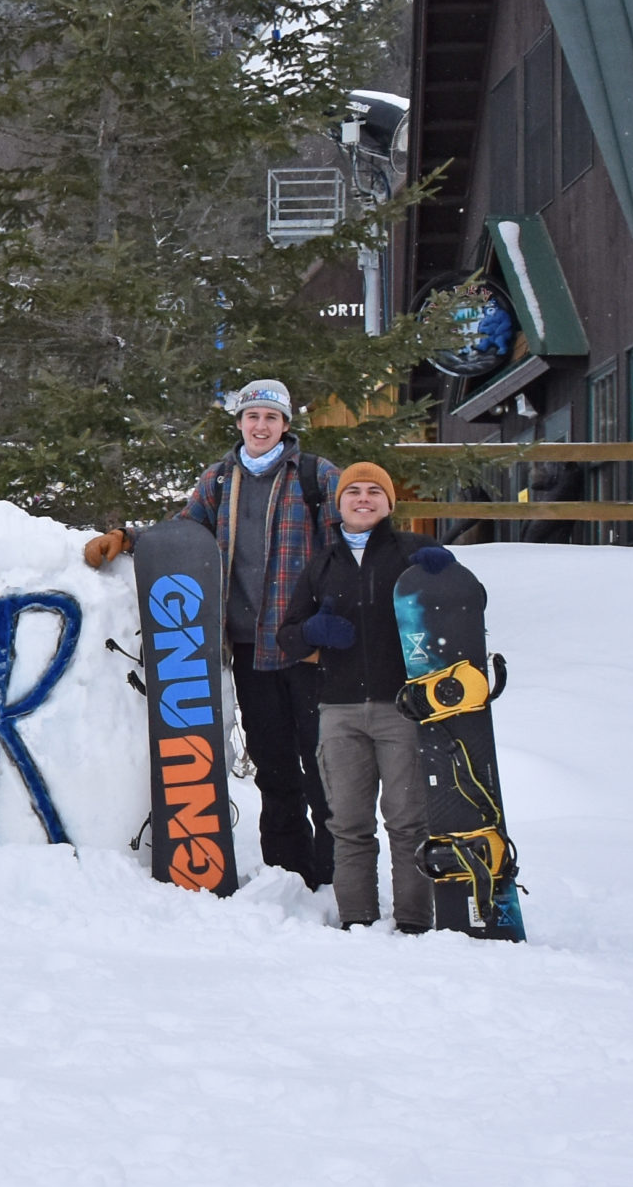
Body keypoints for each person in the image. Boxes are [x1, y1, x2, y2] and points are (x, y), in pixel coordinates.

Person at [85, 378, 341, 889]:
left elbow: (344, 548)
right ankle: (290, 874)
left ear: (286, 425)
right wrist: (127, 539)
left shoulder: (316, 476)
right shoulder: (220, 480)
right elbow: (182, 533)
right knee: (274, 770)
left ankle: (338, 877)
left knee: (326, 771)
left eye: (271, 417)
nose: (261, 426)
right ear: (240, 423)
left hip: (307, 649)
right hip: (249, 649)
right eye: (252, 417)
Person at [283, 462, 433, 932]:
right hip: (340, 711)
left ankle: (412, 921)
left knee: (408, 824)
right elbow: (287, 637)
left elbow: (467, 604)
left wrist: (447, 575)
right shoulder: (321, 565)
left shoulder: (414, 552)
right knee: (348, 825)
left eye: (374, 492)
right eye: (354, 492)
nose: (363, 499)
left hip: (402, 709)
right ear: (339, 502)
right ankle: (358, 921)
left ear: (389, 503)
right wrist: (312, 629)